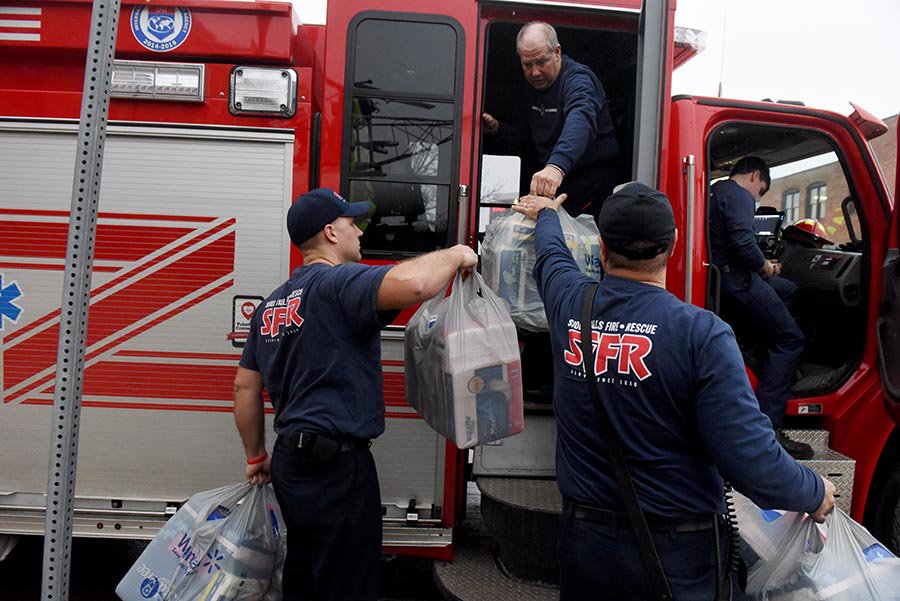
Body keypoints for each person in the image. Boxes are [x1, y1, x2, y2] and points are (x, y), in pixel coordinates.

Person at [512, 183, 835, 601]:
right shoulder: (701, 334)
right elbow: (752, 460)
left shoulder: (570, 306)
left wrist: (547, 215)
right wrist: (814, 491)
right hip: (677, 559)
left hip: (586, 550)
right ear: (674, 245)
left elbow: (552, 256)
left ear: (602, 247)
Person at [233, 187, 478, 601]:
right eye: (352, 223)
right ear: (330, 232)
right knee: (348, 584)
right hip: (337, 469)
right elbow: (416, 283)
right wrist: (457, 254)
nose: (360, 231)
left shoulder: (271, 306)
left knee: (306, 574)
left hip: (291, 464)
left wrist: (257, 456)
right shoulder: (337, 283)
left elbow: (244, 387)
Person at [709, 156, 812, 460]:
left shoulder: (717, 189)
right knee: (791, 339)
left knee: (787, 290)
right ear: (755, 175)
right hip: (737, 280)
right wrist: (766, 265)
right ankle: (769, 427)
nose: (757, 196)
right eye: (761, 190)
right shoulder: (740, 195)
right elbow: (742, 243)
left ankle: (758, 352)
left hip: (721, 279)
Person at [482, 21, 623, 216]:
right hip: (558, 186)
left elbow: (580, 119)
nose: (535, 72)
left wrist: (556, 166)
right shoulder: (529, 89)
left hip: (593, 186)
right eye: (527, 64)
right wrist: (498, 129)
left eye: (541, 62)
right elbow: (525, 140)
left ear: (557, 52)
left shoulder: (578, 80)